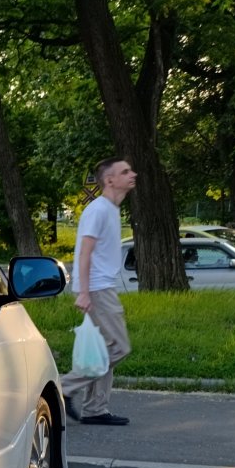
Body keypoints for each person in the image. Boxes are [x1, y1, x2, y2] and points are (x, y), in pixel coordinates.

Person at [62, 157, 137, 426]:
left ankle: (96, 408)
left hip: (100, 286)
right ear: (110, 180)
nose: (133, 175)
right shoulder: (99, 210)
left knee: (103, 348)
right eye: (125, 172)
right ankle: (65, 387)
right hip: (96, 288)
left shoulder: (110, 210)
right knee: (119, 346)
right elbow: (85, 251)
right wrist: (83, 292)